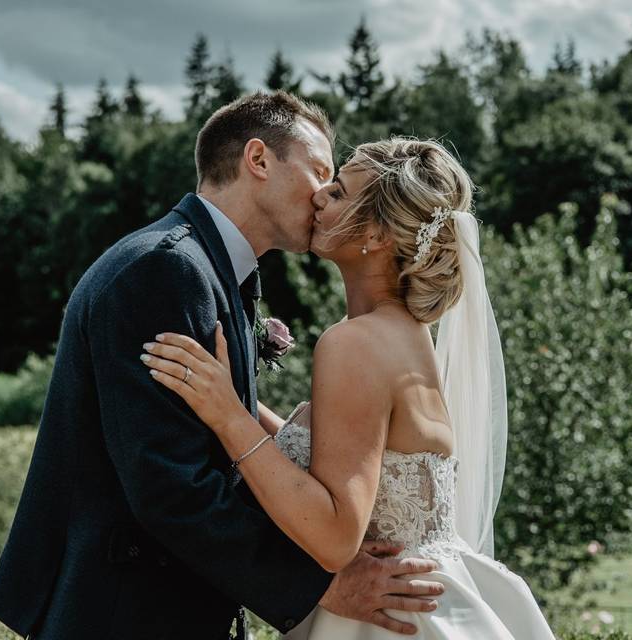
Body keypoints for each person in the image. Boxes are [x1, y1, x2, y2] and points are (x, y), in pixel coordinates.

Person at [0, 94, 444, 639]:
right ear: (259, 159)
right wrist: (320, 584)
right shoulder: (164, 270)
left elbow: (222, 443)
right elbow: (171, 484)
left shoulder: (210, 269)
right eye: (319, 170)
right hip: (130, 615)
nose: (324, 193)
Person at [142, 137, 557, 638]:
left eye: (337, 192)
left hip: (386, 616)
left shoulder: (354, 344)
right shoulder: (405, 333)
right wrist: (236, 400)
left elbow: (337, 536)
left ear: (379, 234)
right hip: (435, 599)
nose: (318, 196)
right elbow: (349, 452)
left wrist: (230, 417)